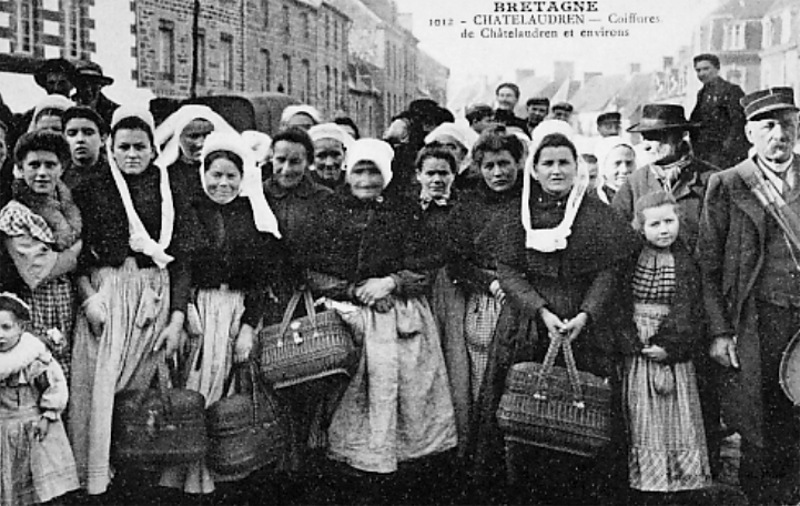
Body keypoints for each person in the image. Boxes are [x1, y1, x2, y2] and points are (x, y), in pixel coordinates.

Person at [472, 125, 639, 505]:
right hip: (527, 328)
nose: (556, 170)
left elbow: (609, 270)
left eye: (564, 162)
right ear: (534, 169)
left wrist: (587, 314)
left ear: (576, 166)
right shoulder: (519, 213)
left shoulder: (596, 213)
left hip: (585, 331)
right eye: (548, 163)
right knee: (522, 419)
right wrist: (539, 309)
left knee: (582, 421)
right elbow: (508, 271)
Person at [296, 138, 456, 478]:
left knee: (403, 402)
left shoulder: (405, 212)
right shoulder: (328, 211)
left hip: (400, 317)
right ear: (347, 173)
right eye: (360, 171)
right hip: (346, 318)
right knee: (348, 404)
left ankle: (399, 472)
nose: (367, 180)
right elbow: (311, 269)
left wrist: (392, 282)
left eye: (374, 172)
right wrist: (355, 289)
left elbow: (428, 266)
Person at [69, 106, 188, 495]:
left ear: (154, 149)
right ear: (111, 148)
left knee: (148, 390)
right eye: (124, 146)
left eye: (141, 146)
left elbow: (183, 259)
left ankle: (143, 480)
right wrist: (90, 300)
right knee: (101, 386)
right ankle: (99, 481)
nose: (133, 154)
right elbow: (76, 257)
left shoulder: (170, 189)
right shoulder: (91, 188)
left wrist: (176, 320)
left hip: (155, 292)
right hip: (110, 292)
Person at [160, 132, 283, 495]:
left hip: (237, 311)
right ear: (204, 174)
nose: (223, 183)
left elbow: (261, 280)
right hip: (201, 309)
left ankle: (226, 473)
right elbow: (181, 267)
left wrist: (248, 328)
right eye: (216, 175)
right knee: (194, 387)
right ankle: (188, 479)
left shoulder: (252, 215)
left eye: (231, 176)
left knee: (231, 389)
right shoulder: (191, 210)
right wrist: (182, 312)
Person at [697, 87, 800, 505]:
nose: (780, 133)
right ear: (749, 132)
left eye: (789, 124)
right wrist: (720, 332)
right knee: (762, 422)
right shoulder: (729, 184)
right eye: (769, 125)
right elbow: (708, 268)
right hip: (759, 323)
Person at [440, 127, 527, 462]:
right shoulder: (469, 205)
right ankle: (483, 462)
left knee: (519, 382)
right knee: (482, 382)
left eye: (504, 163)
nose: (498, 173)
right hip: (485, 303)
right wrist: (490, 283)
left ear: (518, 162)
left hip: (525, 303)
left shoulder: (531, 200)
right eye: (489, 166)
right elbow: (456, 261)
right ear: (478, 167)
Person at [625, 191, 711, 499]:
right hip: (637, 348)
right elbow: (619, 303)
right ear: (640, 227)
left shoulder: (685, 259)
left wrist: (670, 346)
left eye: (669, 221)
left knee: (677, 415)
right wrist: (633, 341)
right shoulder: (630, 257)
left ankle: (678, 482)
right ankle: (646, 482)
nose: (664, 230)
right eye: (655, 224)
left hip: (671, 345)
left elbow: (689, 308)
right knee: (641, 416)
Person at [0, 131, 82, 385]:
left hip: (64, 303)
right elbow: (38, 271)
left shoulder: (65, 208)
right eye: (34, 165)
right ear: (20, 168)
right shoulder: (16, 213)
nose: (42, 173)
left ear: (62, 168)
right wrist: (77, 249)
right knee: (38, 374)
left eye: (50, 165)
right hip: (34, 304)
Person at [0, 292, 79, 505]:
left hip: (33, 425)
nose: (1, 335)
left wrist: (48, 415)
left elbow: (54, 386)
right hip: (4, 428)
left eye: (6, 327)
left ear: (21, 328)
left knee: (37, 482)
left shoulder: (33, 358)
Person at [614, 104, 719, 252]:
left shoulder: (711, 180)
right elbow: (615, 238)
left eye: (655, 137)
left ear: (680, 136)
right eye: (644, 137)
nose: (646, 146)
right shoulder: (634, 184)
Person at [155, 105, 235, 209]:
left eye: (207, 135)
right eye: (193, 136)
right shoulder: (168, 174)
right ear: (179, 138)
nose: (200, 143)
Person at [689, 53, 748, 169]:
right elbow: (696, 121)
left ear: (717, 69)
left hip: (726, 154)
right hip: (705, 152)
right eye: (698, 70)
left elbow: (738, 123)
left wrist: (727, 150)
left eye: (706, 69)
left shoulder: (732, 91)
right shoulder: (702, 94)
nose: (702, 74)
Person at [61, 106, 108, 192]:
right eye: (72, 134)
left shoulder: (115, 173)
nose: (80, 139)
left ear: (103, 139)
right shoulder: (58, 175)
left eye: (88, 133)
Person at [72, 61, 119, 128]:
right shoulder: (67, 105)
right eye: (83, 84)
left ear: (101, 86)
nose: (88, 89)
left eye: (94, 83)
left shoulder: (114, 113)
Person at [308, 123, 353, 190]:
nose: (329, 163)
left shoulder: (353, 185)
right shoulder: (305, 185)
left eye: (335, 155)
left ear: (344, 154)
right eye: (321, 156)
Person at [594, 135, 636, 204]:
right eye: (617, 163)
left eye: (629, 163)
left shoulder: (642, 195)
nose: (624, 170)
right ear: (602, 166)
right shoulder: (595, 199)